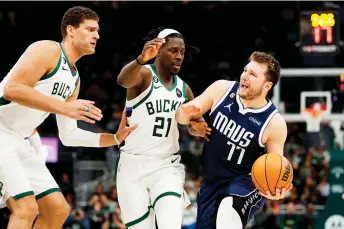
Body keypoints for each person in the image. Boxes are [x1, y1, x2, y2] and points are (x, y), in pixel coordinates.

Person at [0, 6, 137, 229]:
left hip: (19, 139)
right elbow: (13, 90)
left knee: (57, 209)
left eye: (98, 31)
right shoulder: (47, 49)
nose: (97, 35)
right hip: (1, 130)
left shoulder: (75, 79)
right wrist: (64, 109)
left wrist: (114, 138)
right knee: (26, 208)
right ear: (71, 30)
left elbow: (69, 136)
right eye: (91, 29)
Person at [176, 51, 291, 229]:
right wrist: (186, 115)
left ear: (267, 86)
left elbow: (275, 165)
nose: (245, 76)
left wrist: (275, 190)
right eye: (245, 70)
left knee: (227, 214)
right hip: (211, 182)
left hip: (246, 182)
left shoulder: (274, 123)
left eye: (253, 74)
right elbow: (182, 117)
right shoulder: (221, 89)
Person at [116, 27, 210, 229]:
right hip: (132, 165)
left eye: (182, 52)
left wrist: (199, 129)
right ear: (158, 50)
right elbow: (122, 80)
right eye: (173, 51)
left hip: (166, 165)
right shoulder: (143, 74)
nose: (179, 57)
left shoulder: (184, 89)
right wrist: (141, 58)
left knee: (170, 224)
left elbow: (194, 125)